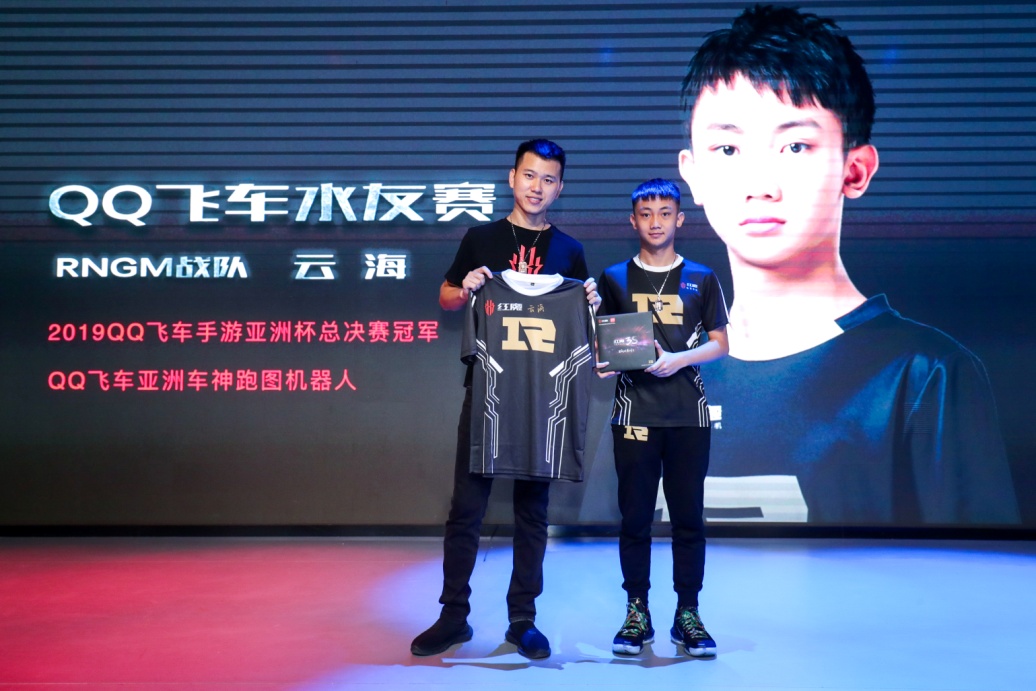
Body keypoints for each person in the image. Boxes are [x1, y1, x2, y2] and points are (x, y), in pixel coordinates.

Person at [676, 4, 1019, 524]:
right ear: (693, 174)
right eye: (727, 149)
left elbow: (975, 570)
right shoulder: (657, 373)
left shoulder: (925, 375)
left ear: (855, 170)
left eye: (795, 146)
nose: (759, 185)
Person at [410, 138, 601, 659]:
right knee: (466, 508)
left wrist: (589, 300)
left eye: (548, 179)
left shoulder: (569, 250)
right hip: (488, 392)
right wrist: (466, 287)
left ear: (560, 188)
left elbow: (585, 321)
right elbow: (447, 298)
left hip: (543, 399)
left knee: (532, 511)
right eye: (529, 175)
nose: (537, 187)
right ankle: (453, 616)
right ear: (512, 177)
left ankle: (523, 619)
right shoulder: (481, 238)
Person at [596, 179, 729, 656]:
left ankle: (687, 613)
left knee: (688, 518)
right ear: (633, 220)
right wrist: (605, 361)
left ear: (680, 219)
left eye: (665, 213)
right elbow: (604, 346)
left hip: (688, 415)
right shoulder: (614, 277)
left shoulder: (702, 277)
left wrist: (678, 359)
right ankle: (637, 612)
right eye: (646, 214)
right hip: (634, 413)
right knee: (635, 518)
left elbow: (721, 343)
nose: (656, 222)